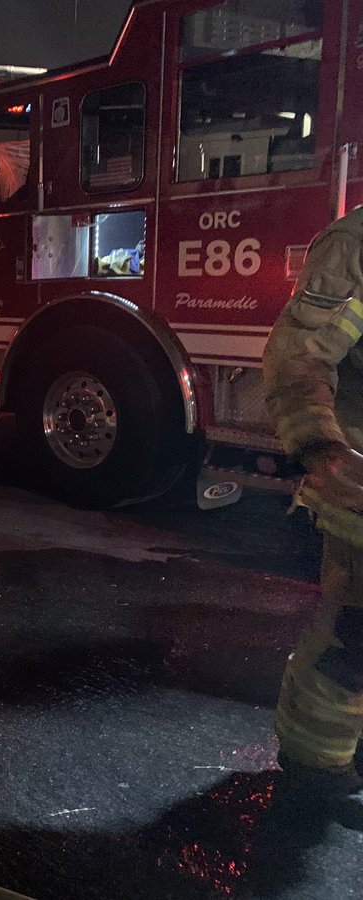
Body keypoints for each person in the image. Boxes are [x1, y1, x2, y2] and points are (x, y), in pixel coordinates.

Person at [263, 204, 363, 800]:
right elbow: (298, 356)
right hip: (360, 483)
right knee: (354, 633)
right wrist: (325, 452)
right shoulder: (355, 245)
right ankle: (314, 774)